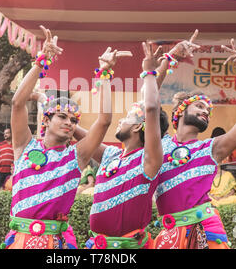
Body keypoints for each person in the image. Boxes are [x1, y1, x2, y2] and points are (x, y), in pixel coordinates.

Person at [1, 25, 114, 250]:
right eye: (62, 116)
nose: (69, 123)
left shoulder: (77, 157)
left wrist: (105, 74)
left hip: (56, 244)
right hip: (19, 242)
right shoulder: (24, 145)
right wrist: (41, 62)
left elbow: (104, 121)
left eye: (73, 120)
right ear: (46, 121)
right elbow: (17, 104)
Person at [154, 37, 236, 249]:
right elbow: (148, 102)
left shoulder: (212, 147)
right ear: (180, 111)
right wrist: (171, 57)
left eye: (208, 110)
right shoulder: (159, 143)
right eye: (200, 106)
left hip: (207, 229)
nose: (205, 111)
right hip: (170, 234)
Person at [71, 41, 168, 250]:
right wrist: (104, 74)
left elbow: (151, 108)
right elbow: (81, 128)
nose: (121, 120)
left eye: (127, 117)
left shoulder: (149, 159)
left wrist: (149, 72)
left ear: (138, 127)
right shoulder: (111, 155)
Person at [208, 127, 236, 206]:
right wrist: (213, 196)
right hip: (212, 196)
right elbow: (203, 189)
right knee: (207, 199)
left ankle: (218, 203)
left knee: (235, 198)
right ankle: (216, 202)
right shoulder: (209, 145)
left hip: (223, 169)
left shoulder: (227, 174)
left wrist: (224, 197)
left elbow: (232, 189)